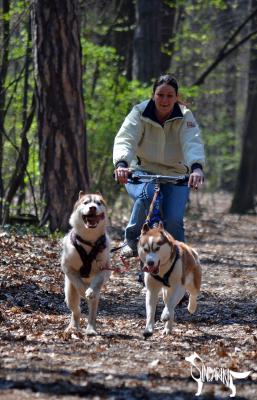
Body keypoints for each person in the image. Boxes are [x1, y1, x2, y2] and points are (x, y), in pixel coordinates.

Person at [113, 74, 205, 257]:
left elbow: (192, 142)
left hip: (175, 174)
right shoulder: (139, 112)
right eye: (160, 95)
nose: (164, 100)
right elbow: (126, 139)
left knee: (173, 220)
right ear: (153, 95)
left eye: (170, 96)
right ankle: (132, 241)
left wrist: (196, 167)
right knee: (147, 194)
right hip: (140, 172)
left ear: (176, 97)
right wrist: (122, 163)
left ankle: (179, 259)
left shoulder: (185, 115)